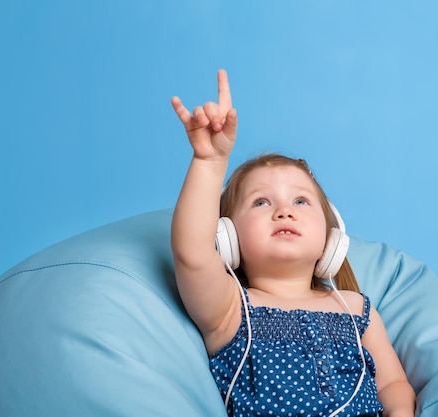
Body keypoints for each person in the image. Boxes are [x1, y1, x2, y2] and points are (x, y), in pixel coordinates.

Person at [170, 69, 416, 417]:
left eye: (301, 201)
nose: (284, 211)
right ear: (227, 237)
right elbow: (192, 254)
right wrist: (209, 162)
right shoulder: (230, 308)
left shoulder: (355, 309)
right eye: (261, 202)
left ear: (331, 238)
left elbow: (393, 385)